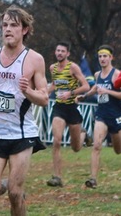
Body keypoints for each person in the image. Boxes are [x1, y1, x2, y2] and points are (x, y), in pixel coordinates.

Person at [0, 5, 48, 215]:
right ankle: (10, 183)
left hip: (22, 133)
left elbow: (44, 99)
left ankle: (15, 187)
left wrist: (28, 91)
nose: (8, 29)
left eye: (14, 25)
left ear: (24, 30)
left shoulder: (34, 59)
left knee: (15, 194)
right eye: (5, 25)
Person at [76, 45, 121, 189]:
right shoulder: (97, 75)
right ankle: (93, 179)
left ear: (111, 58)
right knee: (96, 145)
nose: (102, 59)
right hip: (101, 115)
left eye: (105, 56)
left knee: (118, 149)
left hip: (116, 115)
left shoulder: (116, 74)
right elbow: (96, 88)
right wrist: (84, 95)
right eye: (100, 56)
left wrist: (108, 92)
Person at [46, 41, 90, 187]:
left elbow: (86, 86)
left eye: (62, 51)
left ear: (67, 54)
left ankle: (83, 134)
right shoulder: (52, 68)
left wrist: (71, 92)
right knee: (56, 141)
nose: (59, 53)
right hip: (59, 107)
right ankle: (57, 177)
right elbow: (54, 85)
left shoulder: (73, 67)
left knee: (76, 147)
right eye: (58, 51)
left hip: (72, 108)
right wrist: (42, 93)